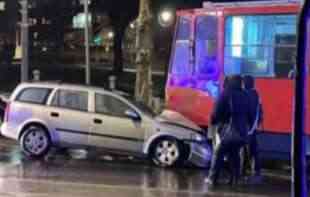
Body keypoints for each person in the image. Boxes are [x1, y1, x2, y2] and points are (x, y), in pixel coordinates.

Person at [205, 75, 254, 188]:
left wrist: (213, 121)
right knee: (234, 153)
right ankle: (235, 180)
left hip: (228, 131)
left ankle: (212, 178)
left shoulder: (225, 93)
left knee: (218, 153)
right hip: (242, 132)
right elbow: (251, 115)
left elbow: (216, 112)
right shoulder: (245, 95)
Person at [242, 75, 263, 183]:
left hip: (247, 129)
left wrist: (247, 127)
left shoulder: (246, 95)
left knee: (247, 151)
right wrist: (257, 124)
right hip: (253, 128)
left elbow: (247, 113)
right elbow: (260, 112)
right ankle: (256, 171)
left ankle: (244, 173)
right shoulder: (256, 94)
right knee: (253, 150)